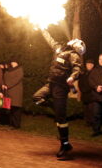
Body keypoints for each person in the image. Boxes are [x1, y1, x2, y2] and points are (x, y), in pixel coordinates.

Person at [33, 30, 85, 158]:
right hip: (50, 84)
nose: (72, 40)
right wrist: (42, 29)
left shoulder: (74, 55)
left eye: (75, 41)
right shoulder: (59, 49)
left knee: (61, 118)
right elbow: (50, 40)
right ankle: (53, 107)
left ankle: (65, 145)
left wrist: (72, 77)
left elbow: (78, 69)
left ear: (77, 46)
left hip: (61, 88)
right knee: (37, 97)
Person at [3, 61, 24, 129]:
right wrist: (4, 84)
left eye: (14, 62)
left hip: (16, 92)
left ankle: (16, 125)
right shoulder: (8, 70)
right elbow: (4, 77)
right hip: (8, 91)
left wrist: (8, 85)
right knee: (10, 108)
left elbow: (16, 80)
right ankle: (10, 123)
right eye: (12, 62)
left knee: (16, 108)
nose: (13, 63)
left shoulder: (19, 70)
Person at [79, 59, 95, 126]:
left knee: (91, 109)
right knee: (85, 109)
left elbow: (94, 83)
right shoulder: (83, 73)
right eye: (88, 64)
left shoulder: (95, 73)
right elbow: (80, 83)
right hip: (84, 94)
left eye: (90, 64)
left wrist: (88, 89)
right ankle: (87, 121)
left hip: (91, 94)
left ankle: (92, 122)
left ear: (93, 65)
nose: (89, 65)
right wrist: (82, 89)